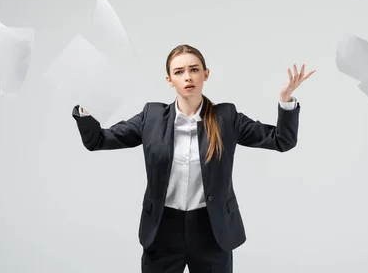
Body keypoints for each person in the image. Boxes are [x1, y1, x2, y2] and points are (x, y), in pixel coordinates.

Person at [72, 44, 315, 272]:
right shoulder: (152, 117)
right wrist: (86, 107)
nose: (187, 76)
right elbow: (98, 140)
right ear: (170, 80)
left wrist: (286, 101)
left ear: (205, 74)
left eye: (194, 69)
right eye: (179, 72)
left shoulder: (226, 117)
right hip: (162, 230)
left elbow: (281, 140)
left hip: (211, 230)